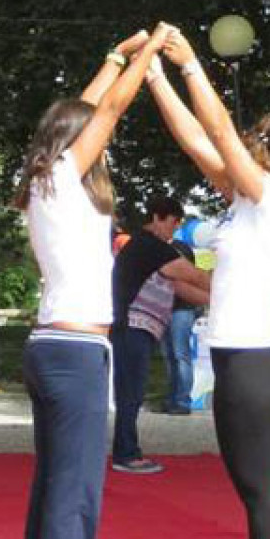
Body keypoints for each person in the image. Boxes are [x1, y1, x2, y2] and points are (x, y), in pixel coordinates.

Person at [14, 25, 170, 539]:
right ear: (74, 144)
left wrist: (114, 55)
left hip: (57, 345)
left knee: (57, 482)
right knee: (75, 487)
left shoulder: (45, 184)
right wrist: (149, 55)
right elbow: (105, 112)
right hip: (74, 351)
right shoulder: (61, 179)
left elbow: (83, 110)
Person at [147, 31, 270, 539]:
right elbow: (196, 139)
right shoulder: (246, 199)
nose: (247, 142)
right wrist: (154, 76)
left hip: (253, 364)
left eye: (258, 138)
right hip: (247, 361)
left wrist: (190, 65)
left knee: (260, 491)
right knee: (252, 488)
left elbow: (219, 130)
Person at [110, 194, 211, 474]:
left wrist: (219, 300)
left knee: (132, 390)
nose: (174, 230)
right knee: (130, 392)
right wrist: (229, 287)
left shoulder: (148, 249)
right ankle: (126, 454)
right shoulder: (151, 246)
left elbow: (181, 288)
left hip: (136, 329)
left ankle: (126, 450)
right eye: (172, 223)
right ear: (157, 218)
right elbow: (194, 276)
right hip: (132, 327)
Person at [162, 237, 200, 416]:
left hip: (182, 307)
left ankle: (182, 400)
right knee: (170, 355)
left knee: (180, 354)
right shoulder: (158, 249)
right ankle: (173, 398)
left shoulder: (180, 249)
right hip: (164, 307)